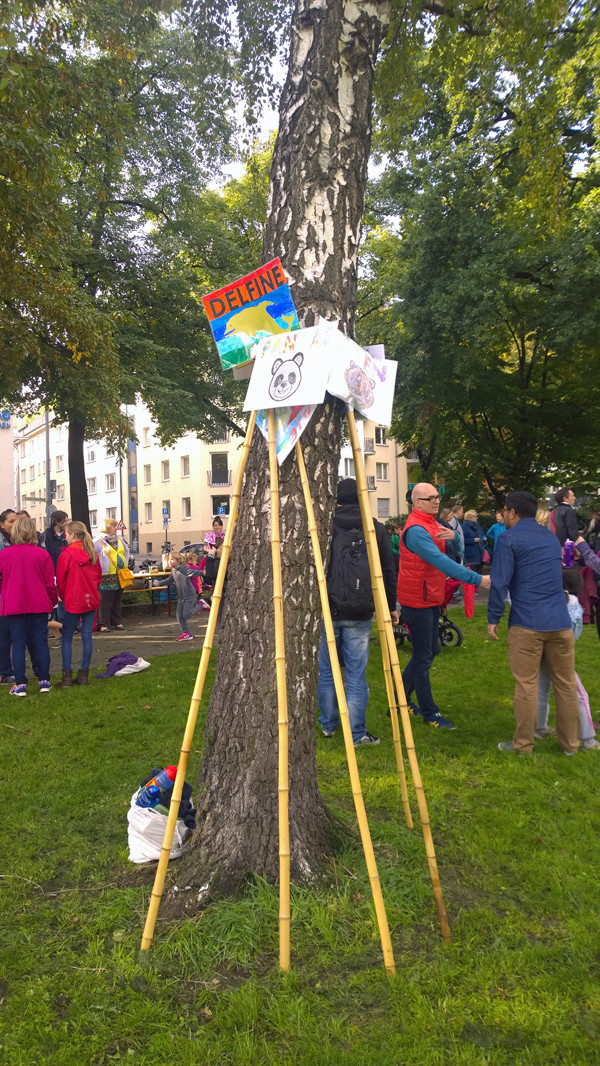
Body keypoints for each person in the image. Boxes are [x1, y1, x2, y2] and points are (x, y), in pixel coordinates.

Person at [487, 490, 580, 755]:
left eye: (505, 510)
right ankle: (571, 745)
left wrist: (493, 617)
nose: (504, 514)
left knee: (526, 685)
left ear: (512, 512)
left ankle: (523, 745)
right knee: (565, 684)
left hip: (527, 623)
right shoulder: (550, 537)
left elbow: (499, 582)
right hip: (560, 622)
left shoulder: (508, 539)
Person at [397, 484, 490, 730]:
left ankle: (399, 701)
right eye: (431, 498)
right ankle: (430, 713)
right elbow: (440, 560)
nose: (437, 501)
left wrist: (456, 538)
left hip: (431, 597)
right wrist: (477, 579)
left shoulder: (433, 524)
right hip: (417, 601)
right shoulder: (416, 530)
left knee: (427, 652)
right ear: (417, 502)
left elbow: (456, 551)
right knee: (423, 656)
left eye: (438, 497)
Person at [318, 478, 399, 746]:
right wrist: (390, 606)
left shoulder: (324, 526)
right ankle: (356, 733)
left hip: (329, 607)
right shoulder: (374, 527)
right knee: (356, 673)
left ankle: (328, 724)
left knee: (327, 670)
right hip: (361, 610)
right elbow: (387, 569)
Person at [536, 569, 599, 750]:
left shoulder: (546, 599)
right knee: (579, 694)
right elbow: (574, 635)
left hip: (541, 650)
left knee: (541, 689)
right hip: (561, 653)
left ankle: (539, 727)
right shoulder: (574, 603)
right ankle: (588, 739)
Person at [0, 515, 57, 696]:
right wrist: (52, 602)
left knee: (18, 643)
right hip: (38, 603)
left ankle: (20, 683)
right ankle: (44, 680)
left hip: (13, 604)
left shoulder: (4, 555)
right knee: (40, 641)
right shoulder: (42, 554)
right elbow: (49, 583)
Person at [56, 521, 102, 686]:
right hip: (91, 599)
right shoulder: (92, 554)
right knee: (86, 636)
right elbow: (98, 577)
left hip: (73, 600)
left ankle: (66, 676)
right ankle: (83, 674)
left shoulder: (66, 555)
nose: (65, 537)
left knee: (67, 637)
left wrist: (64, 596)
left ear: (72, 535)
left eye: (66, 534)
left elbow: (61, 581)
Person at [94, 519, 130, 632]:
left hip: (120, 574)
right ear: (106, 528)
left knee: (117, 599)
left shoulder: (120, 540)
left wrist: (125, 564)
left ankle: (117, 621)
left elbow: (126, 553)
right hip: (106, 575)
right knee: (105, 600)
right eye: (113, 526)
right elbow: (92, 555)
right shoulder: (98, 541)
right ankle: (103, 623)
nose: (116, 528)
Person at [156, 552, 200, 640]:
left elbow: (194, 572)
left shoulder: (183, 569)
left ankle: (201, 605)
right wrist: (159, 583)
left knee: (186, 614)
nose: (169, 561)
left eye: (172, 559)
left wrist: (203, 572)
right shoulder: (174, 570)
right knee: (179, 616)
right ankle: (187, 633)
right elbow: (169, 580)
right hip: (182, 596)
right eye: (169, 559)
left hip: (189, 595)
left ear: (178, 561)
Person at [0, 508, 17, 684]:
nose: (14, 524)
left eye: (16, 520)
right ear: (2, 524)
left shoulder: (15, 541)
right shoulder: (2, 543)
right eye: (11, 521)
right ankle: (5, 671)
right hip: (3, 595)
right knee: (4, 634)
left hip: (11, 594)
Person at [462, 509, 487, 574]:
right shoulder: (464, 527)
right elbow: (462, 540)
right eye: (475, 516)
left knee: (479, 573)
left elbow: (482, 534)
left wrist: (483, 538)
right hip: (470, 555)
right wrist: (473, 540)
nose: (477, 518)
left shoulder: (478, 526)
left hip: (480, 553)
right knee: (472, 573)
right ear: (470, 517)